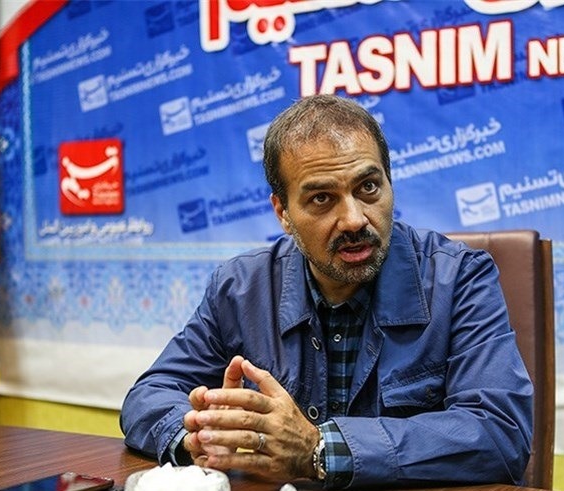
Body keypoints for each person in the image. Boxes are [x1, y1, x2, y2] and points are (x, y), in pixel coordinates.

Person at [120, 94, 533, 488]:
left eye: (368, 188)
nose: (354, 219)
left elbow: (500, 433)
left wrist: (321, 448)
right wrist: (199, 436)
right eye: (322, 198)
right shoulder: (240, 288)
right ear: (283, 213)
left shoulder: (460, 279)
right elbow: (148, 396)